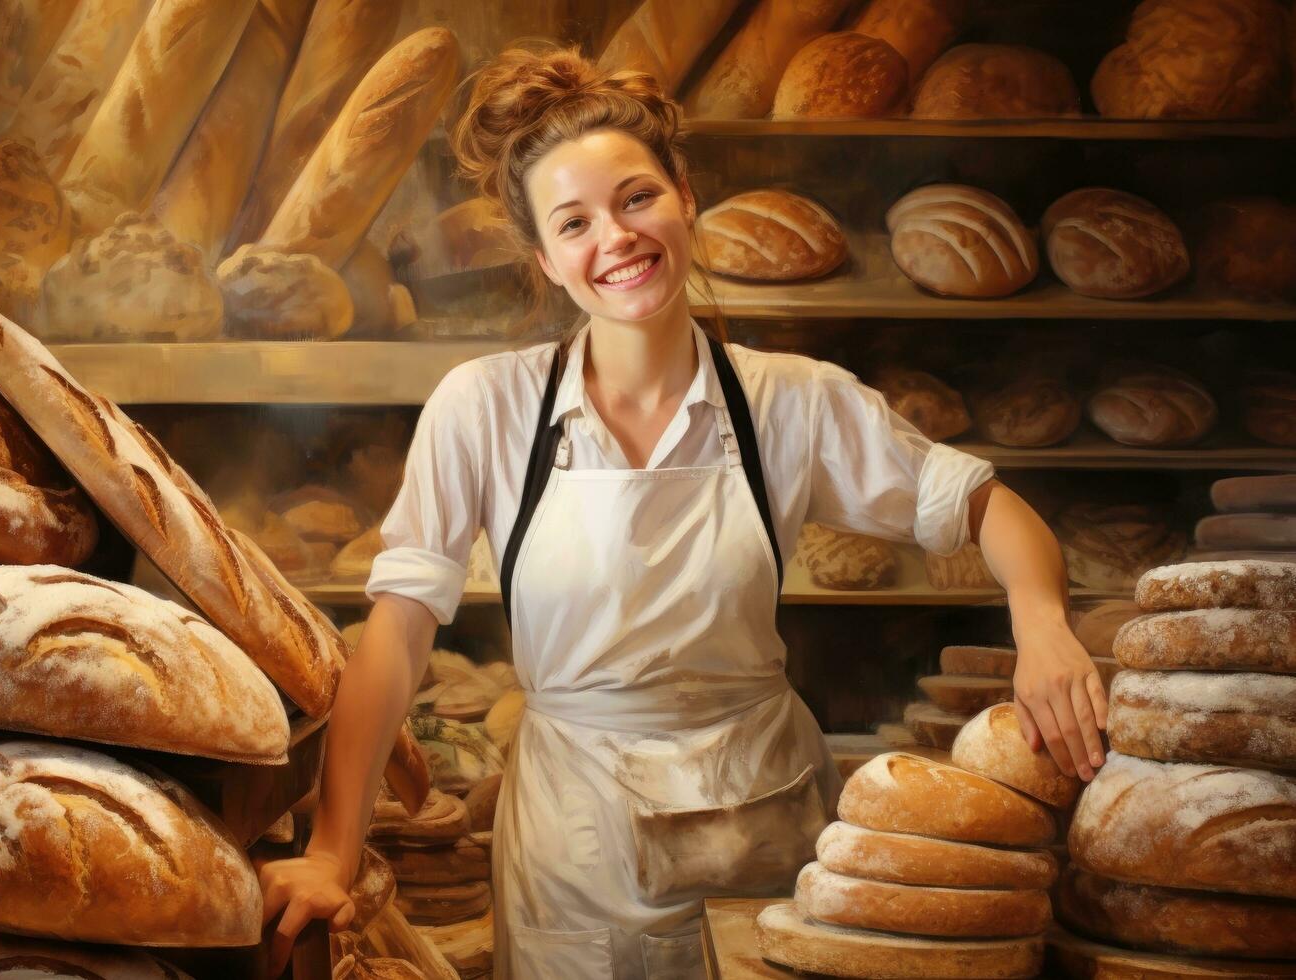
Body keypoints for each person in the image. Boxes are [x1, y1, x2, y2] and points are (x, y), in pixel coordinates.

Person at [259, 43, 1107, 979]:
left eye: (635, 198)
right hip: (575, 848)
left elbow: (987, 503)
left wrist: (1043, 625)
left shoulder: (792, 400)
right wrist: (334, 851)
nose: (614, 238)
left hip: (765, 820)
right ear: (545, 258)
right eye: (573, 222)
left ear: (685, 197)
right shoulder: (486, 407)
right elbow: (399, 628)